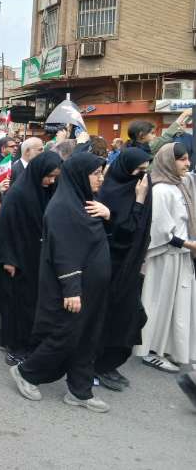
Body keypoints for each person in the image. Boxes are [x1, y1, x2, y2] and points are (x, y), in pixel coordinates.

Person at [10, 152, 112, 413]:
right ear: (80, 176)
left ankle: (80, 391)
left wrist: (108, 215)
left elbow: (98, 240)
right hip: (73, 289)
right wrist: (72, 289)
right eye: (96, 174)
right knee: (66, 336)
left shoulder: (86, 203)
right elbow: (64, 252)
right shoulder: (62, 208)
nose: (101, 178)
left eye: (101, 173)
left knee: (87, 338)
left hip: (93, 288)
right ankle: (26, 372)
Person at [94, 148, 152, 390]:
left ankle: (108, 363)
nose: (142, 177)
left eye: (145, 171)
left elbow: (142, 231)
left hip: (129, 268)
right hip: (111, 267)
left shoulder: (140, 189)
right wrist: (138, 201)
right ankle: (98, 365)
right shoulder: (111, 192)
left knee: (132, 318)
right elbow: (125, 232)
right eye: (139, 171)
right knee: (111, 319)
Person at [135, 143, 196, 373]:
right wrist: (188, 244)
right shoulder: (161, 189)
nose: (187, 164)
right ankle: (150, 351)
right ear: (169, 161)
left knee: (179, 305)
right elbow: (160, 230)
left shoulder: (180, 184)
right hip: (164, 256)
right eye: (182, 159)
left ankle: (170, 348)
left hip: (182, 255)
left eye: (188, 158)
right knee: (158, 303)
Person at [0, 152, 62, 365]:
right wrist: (8, 259)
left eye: (55, 177)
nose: (51, 181)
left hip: (38, 257)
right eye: (48, 176)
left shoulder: (48, 191)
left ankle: (21, 340)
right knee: (18, 305)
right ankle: (15, 347)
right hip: (18, 259)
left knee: (32, 304)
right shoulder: (18, 194)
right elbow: (5, 227)